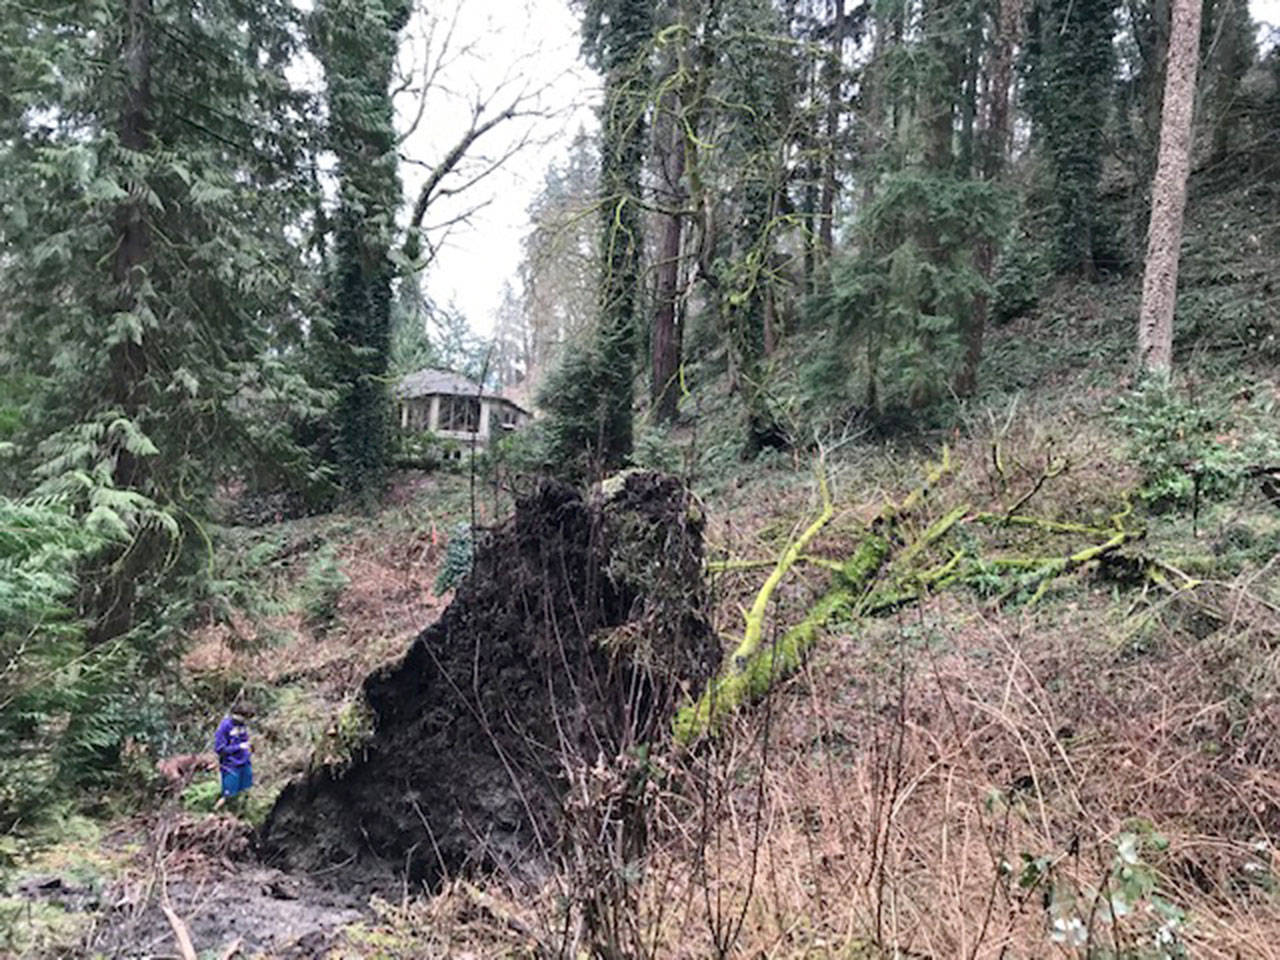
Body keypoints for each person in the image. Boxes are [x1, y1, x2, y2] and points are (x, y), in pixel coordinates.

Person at [213, 703, 253, 810]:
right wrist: (239, 747)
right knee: (228, 795)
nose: (245, 721)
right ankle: (214, 813)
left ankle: (241, 814)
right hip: (230, 765)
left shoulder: (242, 725)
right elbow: (219, 749)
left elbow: (245, 740)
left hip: (245, 762)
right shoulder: (224, 727)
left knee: (246, 791)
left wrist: (248, 749)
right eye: (244, 717)